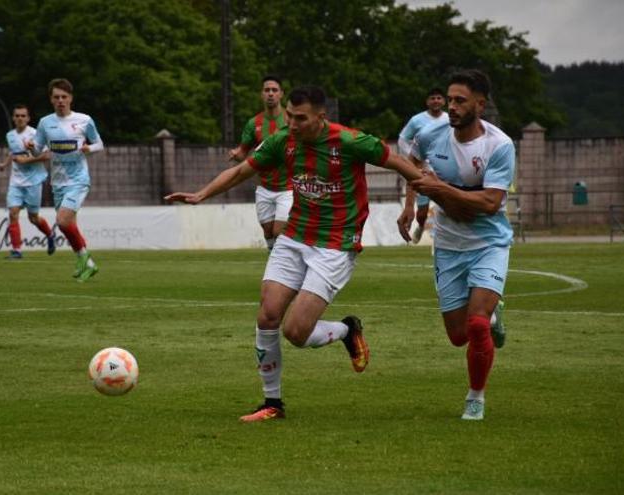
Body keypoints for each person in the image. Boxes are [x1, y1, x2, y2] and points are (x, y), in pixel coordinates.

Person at [167, 86, 426, 422]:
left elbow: (405, 166)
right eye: (289, 115)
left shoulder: (350, 141)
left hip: (335, 244)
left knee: (296, 333)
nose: (292, 122)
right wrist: (202, 195)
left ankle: (347, 330)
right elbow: (242, 171)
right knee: (267, 315)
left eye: (300, 118)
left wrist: (411, 207)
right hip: (294, 236)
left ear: (321, 117)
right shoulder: (283, 141)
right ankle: (272, 403)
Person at [397, 69, 515, 421]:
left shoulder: (499, 145)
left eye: (460, 100)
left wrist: (441, 190)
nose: (451, 106)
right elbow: (412, 165)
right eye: (449, 99)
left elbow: (490, 203)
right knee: (458, 335)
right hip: (448, 245)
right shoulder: (431, 136)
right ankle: (493, 313)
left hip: (489, 242)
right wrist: (409, 205)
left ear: (480, 104)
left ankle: (475, 397)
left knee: (477, 325)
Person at [28, 78, 103, 281]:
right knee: (69, 226)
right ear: (51, 100)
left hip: (78, 179)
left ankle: (86, 259)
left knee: (62, 221)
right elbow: (38, 148)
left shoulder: (84, 120)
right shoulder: (45, 123)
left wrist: (90, 148)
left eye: (64, 97)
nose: (60, 100)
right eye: (56, 97)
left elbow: (99, 144)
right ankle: (84, 263)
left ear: (70, 98)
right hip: (58, 182)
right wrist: (31, 146)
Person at [228, 75, 292, 250]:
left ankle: (284, 269)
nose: (270, 93)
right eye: (267, 90)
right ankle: (276, 263)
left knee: (280, 231)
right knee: (268, 232)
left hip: (288, 187)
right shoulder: (253, 123)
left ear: (281, 94)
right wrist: (237, 154)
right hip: (264, 187)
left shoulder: (291, 119)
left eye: (274, 90)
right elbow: (243, 151)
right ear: (261, 94)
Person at [0, 104, 56, 260]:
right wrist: (5, 164)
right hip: (16, 182)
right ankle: (16, 250)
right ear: (13, 118)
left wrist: (27, 160)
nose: (20, 118)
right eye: (17, 115)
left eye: (23, 116)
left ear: (28, 118)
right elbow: (13, 152)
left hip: (33, 181)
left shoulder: (35, 134)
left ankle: (50, 234)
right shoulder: (10, 135)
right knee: (13, 213)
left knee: (33, 218)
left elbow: (46, 155)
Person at [398, 87, 449, 244]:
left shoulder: (450, 119)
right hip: (424, 170)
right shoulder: (417, 120)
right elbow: (402, 139)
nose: (436, 101)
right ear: (427, 102)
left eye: (439, 98)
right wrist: (415, 158)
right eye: (432, 98)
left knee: (448, 202)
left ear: (444, 101)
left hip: (445, 168)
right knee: (422, 212)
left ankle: (447, 238)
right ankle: (421, 225)